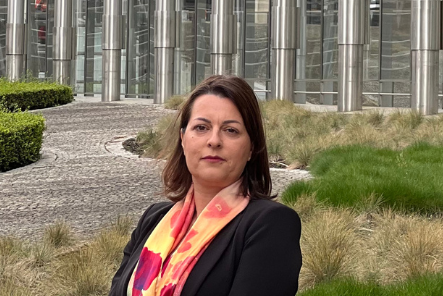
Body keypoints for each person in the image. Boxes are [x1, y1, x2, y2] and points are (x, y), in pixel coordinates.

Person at [109, 75, 302, 296]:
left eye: (231, 130)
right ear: (183, 139)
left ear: (251, 147)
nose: (214, 141)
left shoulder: (270, 224)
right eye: (201, 127)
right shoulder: (153, 219)